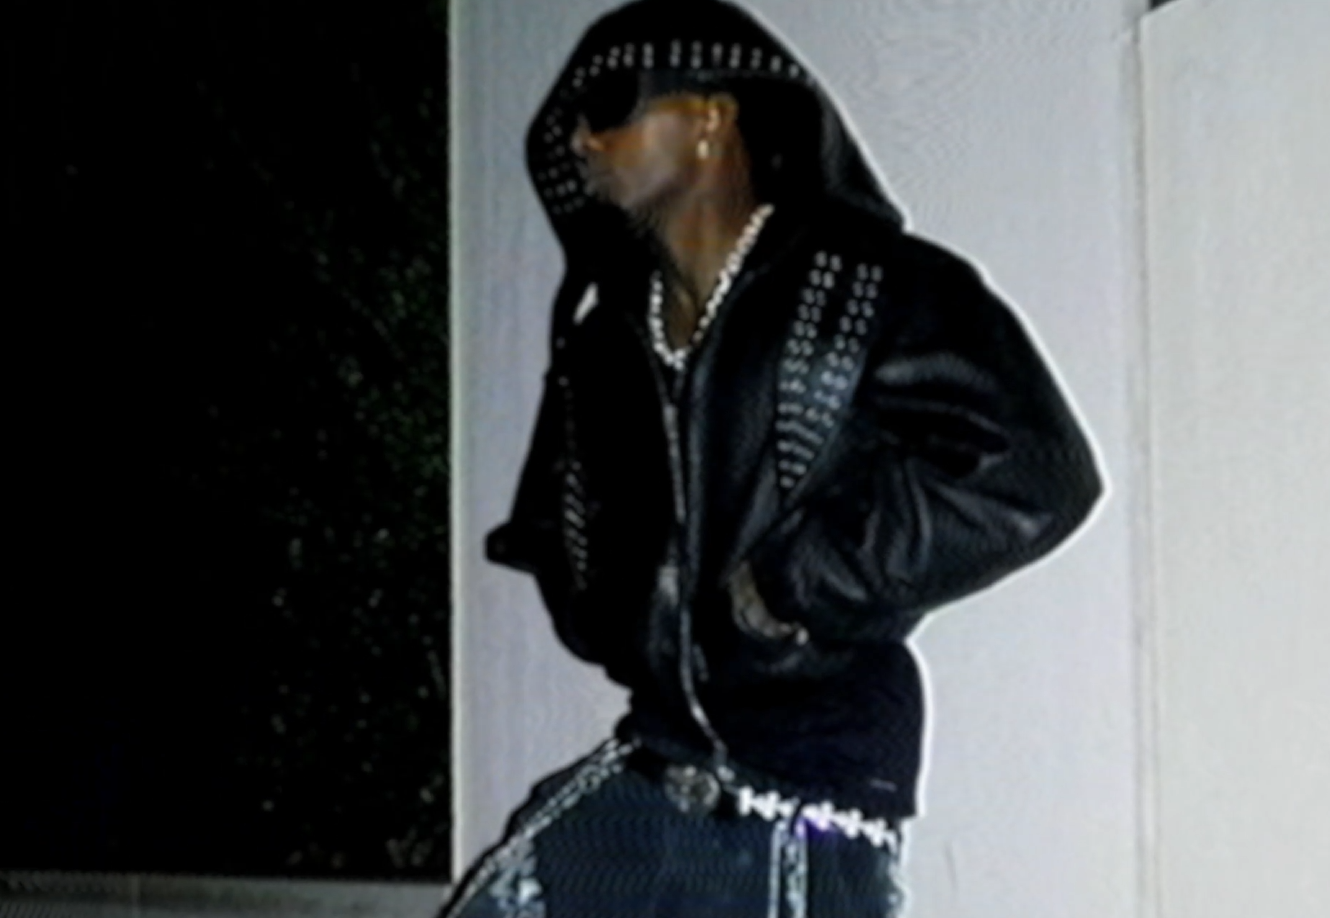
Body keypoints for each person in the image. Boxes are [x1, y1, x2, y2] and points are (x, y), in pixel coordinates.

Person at [442, 1, 1103, 915]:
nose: (581, 139)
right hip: (657, 758)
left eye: (608, 104)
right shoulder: (605, 344)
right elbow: (556, 525)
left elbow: (1033, 474)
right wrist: (610, 608)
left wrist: (790, 584)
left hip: (810, 775)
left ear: (710, 117)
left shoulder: (867, 287)